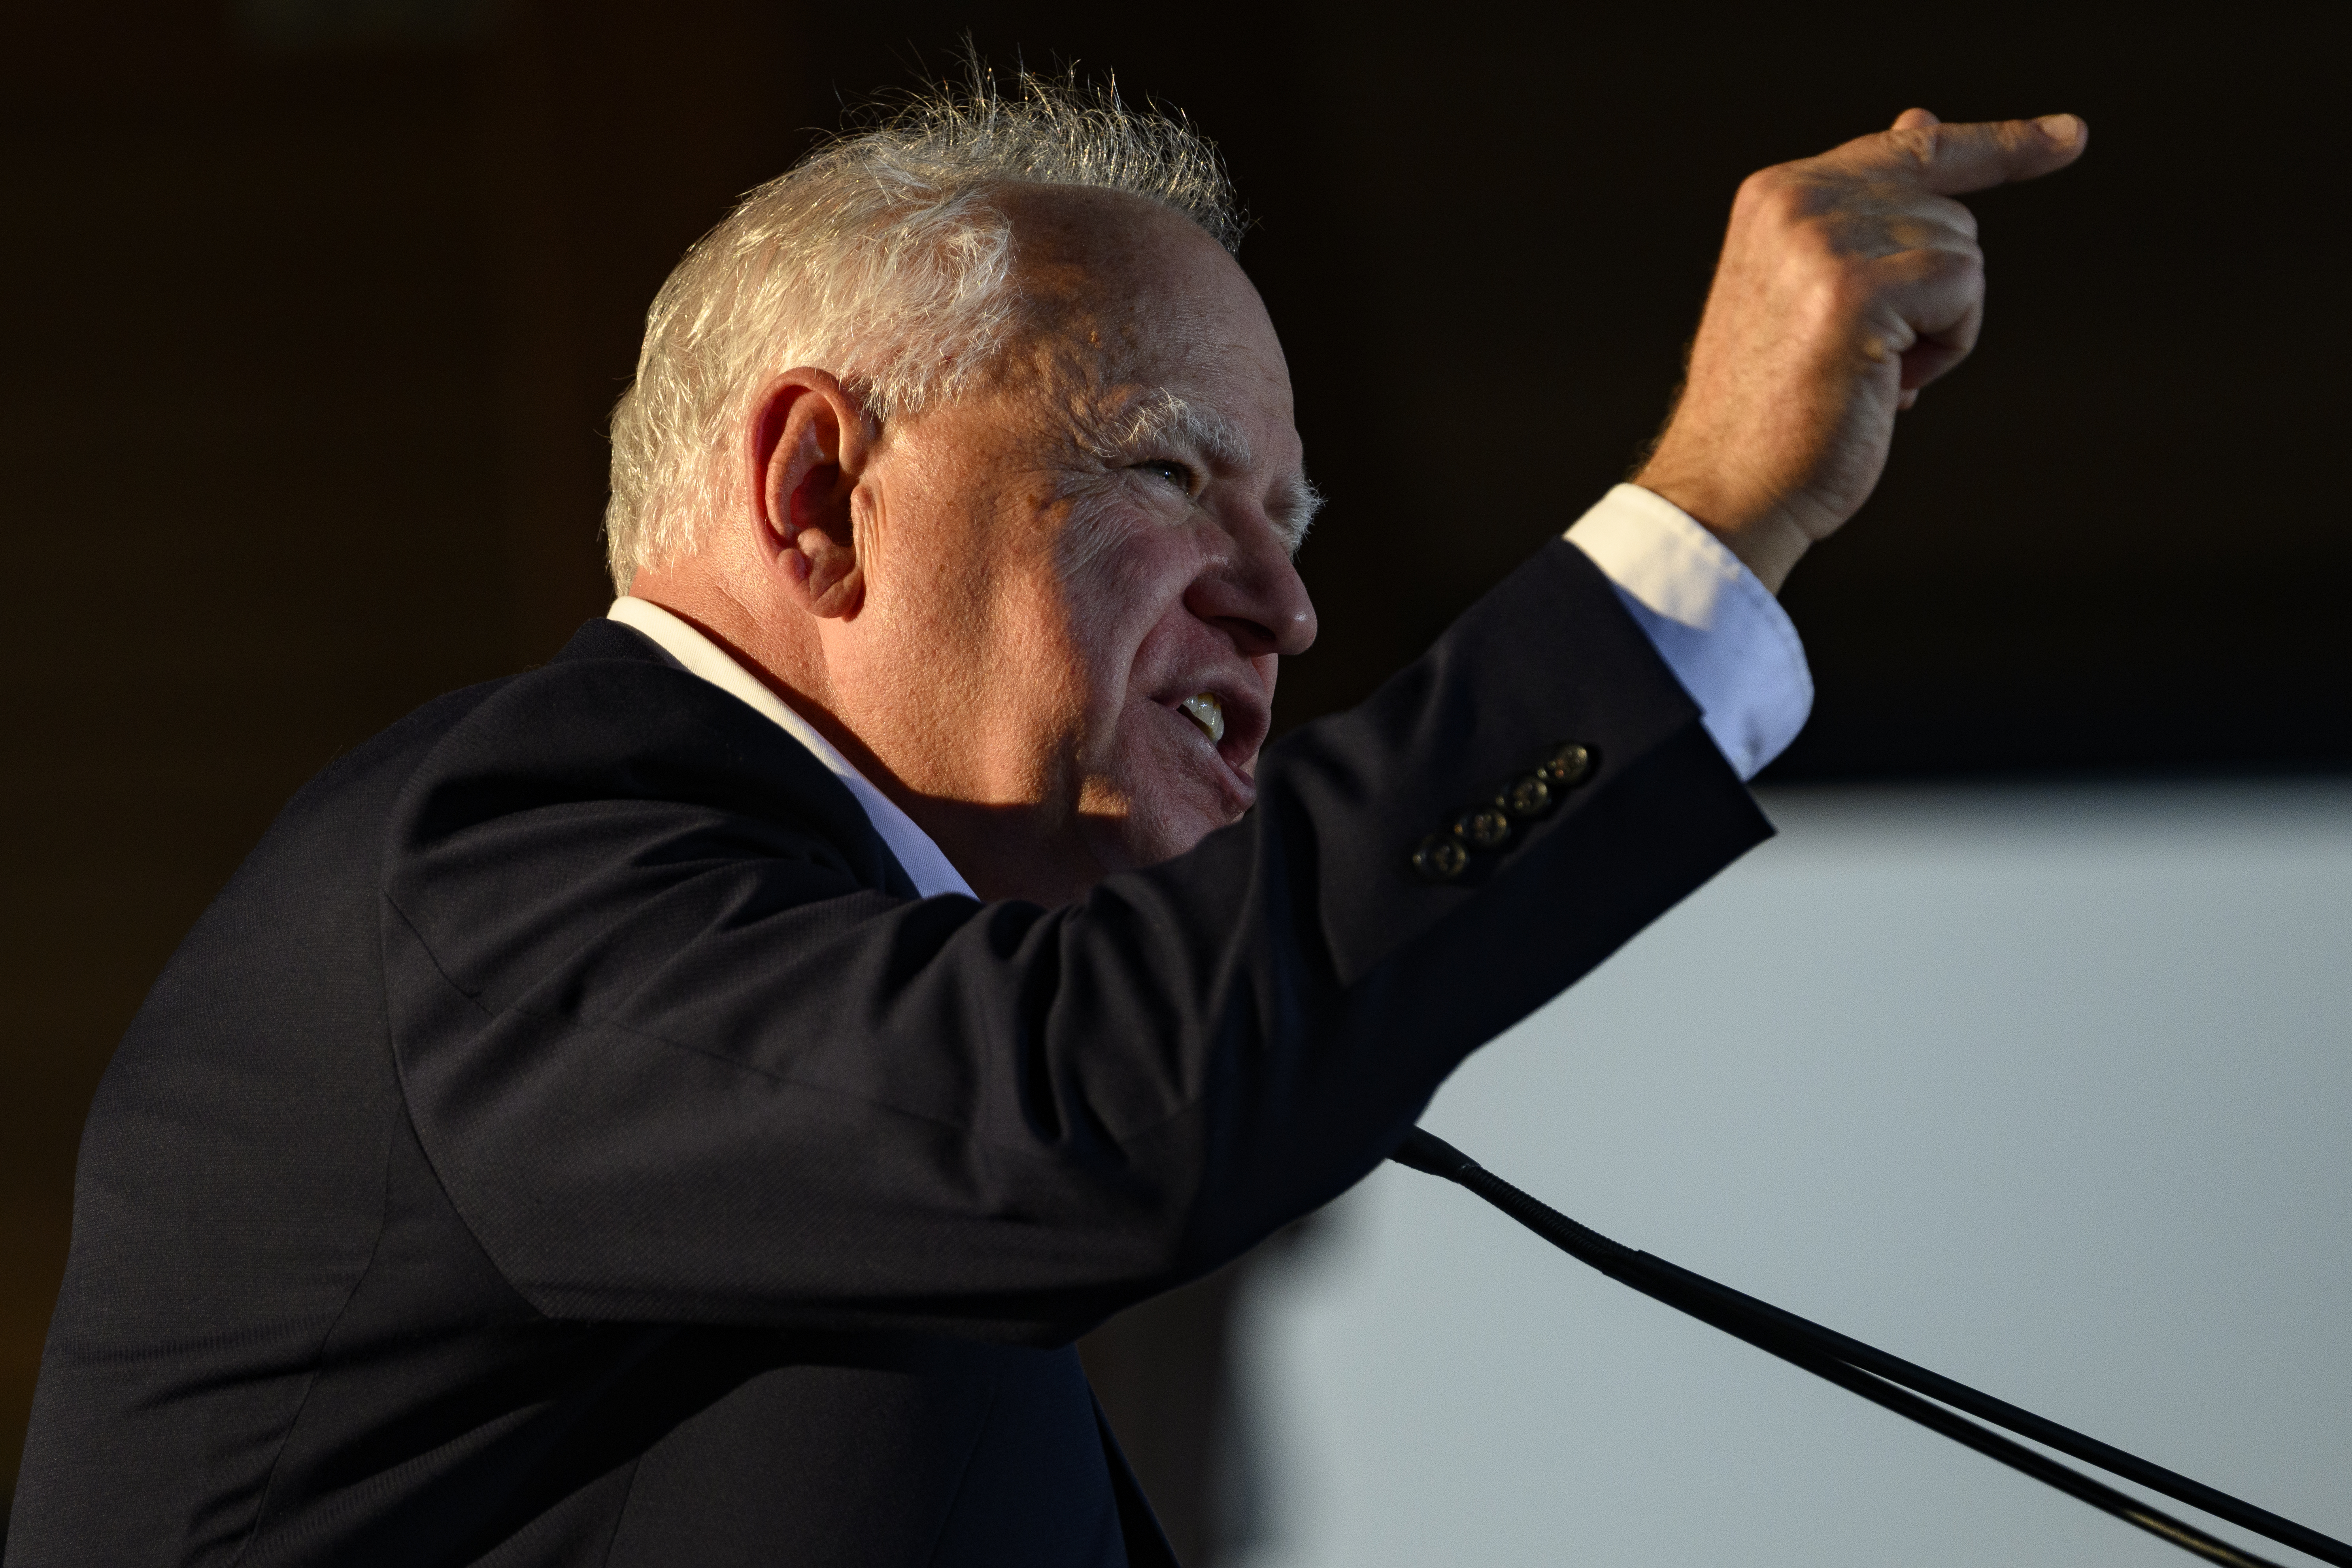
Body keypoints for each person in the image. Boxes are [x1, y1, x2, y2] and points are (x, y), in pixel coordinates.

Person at [6, 78, 2083, 1567]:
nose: (1287, 606)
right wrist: (1712, 515)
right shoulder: (497, 869)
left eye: (1296, 521)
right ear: (819, 490)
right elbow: (1082, 1107)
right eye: (1180, 475)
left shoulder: (842, 1126)